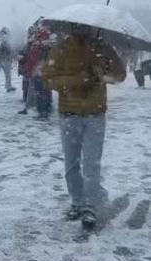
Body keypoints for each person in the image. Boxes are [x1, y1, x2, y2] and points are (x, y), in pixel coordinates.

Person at [42, 24, 126, 229]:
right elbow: (48, 79)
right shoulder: (61, 48)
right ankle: (77, 202)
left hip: (95, 113)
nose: (80, 29)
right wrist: (77, 80)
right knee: (71, 163)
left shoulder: (102, 47)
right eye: (76, 26)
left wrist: (103, 72)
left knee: (91, 163)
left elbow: (120, 75)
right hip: (69, 113)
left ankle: (90, 206)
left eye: (84, 27)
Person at [18, 25, 54, 118]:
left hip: (40, 69)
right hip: (35, 68)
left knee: (41, 90)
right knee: (37, 89)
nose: (38, 29)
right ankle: (38, 108)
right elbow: (30, 54)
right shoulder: (36, 39)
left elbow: (45, 53)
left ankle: (42, 110)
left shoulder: (44, 39)